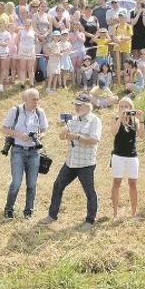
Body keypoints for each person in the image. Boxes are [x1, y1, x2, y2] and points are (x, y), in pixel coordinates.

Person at [41, 93, 100, 230]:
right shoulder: (73, 119)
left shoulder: (94, 120)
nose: (76, 107)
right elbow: (62, 137)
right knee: (58, 185)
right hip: (71, 162)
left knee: (89, 192)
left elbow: (94, 140)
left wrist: (77, 137)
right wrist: (63, 133)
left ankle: (90, 220)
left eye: (79, 105)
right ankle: (52, 215)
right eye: (75, 104)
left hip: (86, 163)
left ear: (87, 106)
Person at [1, 88, 48, 219]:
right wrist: (18, 134)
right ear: (25, 99)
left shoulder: (40, 112)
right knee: (16, 182)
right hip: (18, 150)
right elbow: (4, 129)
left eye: (38, 99)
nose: (36, 102)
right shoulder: (15, 111)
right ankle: (9, 208)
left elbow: (44, 130)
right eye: (33, 99)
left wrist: (40, 136)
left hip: (34, 152)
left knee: (32, 184)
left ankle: (29, 211)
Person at [109, 97, 145, 222]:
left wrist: (141, 121)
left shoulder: (135, 121)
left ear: (131, 108)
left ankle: (134, 212)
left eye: (127, 106)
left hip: (132, 156)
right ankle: (115, 213)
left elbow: (141, 135)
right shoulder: (116, 120)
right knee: (116, 182)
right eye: (121, 106)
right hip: (118, 155)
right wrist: (120, 118)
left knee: (133, 184)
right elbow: (113, 132)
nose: (124, 109)